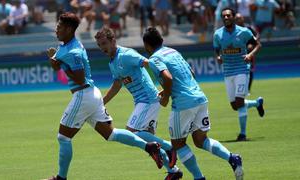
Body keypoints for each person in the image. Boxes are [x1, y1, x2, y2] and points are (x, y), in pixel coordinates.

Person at [45, 12, 163, 180]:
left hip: (83, 94)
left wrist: (60, 63)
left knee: (63, 137)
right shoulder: (65, 46)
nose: (56, 29)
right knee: (111, 134)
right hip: (91, 94)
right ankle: (149, 146)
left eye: (59, 27)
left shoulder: (74, 51)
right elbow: (58, 67)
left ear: (69, 29)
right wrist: (54, 60)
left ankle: (61, 178)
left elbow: (78, 78)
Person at [142, 26, 244, 180]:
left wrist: (166, 96)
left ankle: (199, 177)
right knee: (200, 140)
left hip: (183, 104)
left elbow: (168, 78)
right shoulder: (173, 52)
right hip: (200, 97)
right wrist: (170, 90)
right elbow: (191, 73)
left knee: (177, 143)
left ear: (147, 45)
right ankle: (232, 158)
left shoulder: (154, 59)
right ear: (161, 40)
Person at [94, 26, 183, 180]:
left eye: (104, 43)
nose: (102, 48)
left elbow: (149, 63)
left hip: (148, 99)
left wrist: (166, 82)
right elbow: (117, 85)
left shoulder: (126, 55)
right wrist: (101, 103)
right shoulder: (112, 62)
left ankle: (170, 148)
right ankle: (173, 170)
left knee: (132, 133)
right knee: (146, 139)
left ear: (113, 40)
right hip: (141, 101)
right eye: (99, 45)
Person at [213, 8, 265, 141]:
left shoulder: (244, 32)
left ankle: (243, 134)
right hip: (228, 71)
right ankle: (257, 103)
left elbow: (258, 45)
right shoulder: (218, 34)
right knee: (234, 105)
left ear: (234, 17)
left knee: (240, 102)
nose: (226, 18)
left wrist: (250, 55)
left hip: (242, 70)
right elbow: (217, 50)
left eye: (228, 15)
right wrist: (218, 57)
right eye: (223, 16)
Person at [235, 13, 259, 93]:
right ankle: (239, 88)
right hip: (238, 53)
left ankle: (248, 89)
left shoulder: (248, 28)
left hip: (248, 53)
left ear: (243, 19)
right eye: (237, 19)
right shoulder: (234, 30)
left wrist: (251, 44)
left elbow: (256, 35)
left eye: (240, 18)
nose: (239, 20)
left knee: (250, 70)